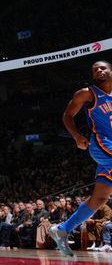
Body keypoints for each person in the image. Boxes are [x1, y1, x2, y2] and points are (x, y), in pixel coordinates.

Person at [49, 60, 112, 257]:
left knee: (100, 198)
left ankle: (62, 229)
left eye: (102, 67)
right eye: (95, 69)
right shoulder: (87, 93)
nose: (99, 70)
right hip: (102, 144)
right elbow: (68, 115)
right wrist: (76, 136)